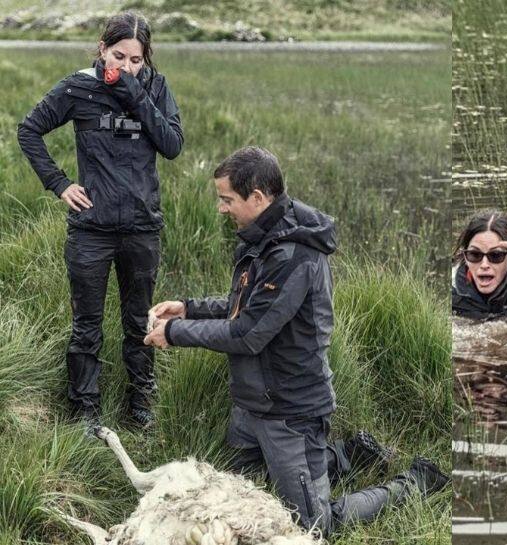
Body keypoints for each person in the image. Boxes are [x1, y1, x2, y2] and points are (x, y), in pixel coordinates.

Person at [143, 147, 448, 535]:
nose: (221, 208)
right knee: (239, 492)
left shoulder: (294, 255)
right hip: (251, 404)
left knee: (313, 525)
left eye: (227, 199)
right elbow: (246, 308)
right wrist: (188, 309)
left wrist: (173, 333)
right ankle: (351, 454)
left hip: (291, 410)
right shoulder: (262, 237)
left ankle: (416, 481)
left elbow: (248, 334)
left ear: (257, 197)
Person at [17, 12, 183, 428]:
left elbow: (172, 145)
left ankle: (141, 405)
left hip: (142, 228)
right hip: (91, 229)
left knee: (138, 319)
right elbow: (29, 130)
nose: (125, 66)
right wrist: (59, 184)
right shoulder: (79, 87)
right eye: (118, 56)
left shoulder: (156, 88)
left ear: (146, 60)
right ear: (101, 48)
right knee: (86, 325)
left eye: (135, 60)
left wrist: (134, 92)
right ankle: (85, 411)